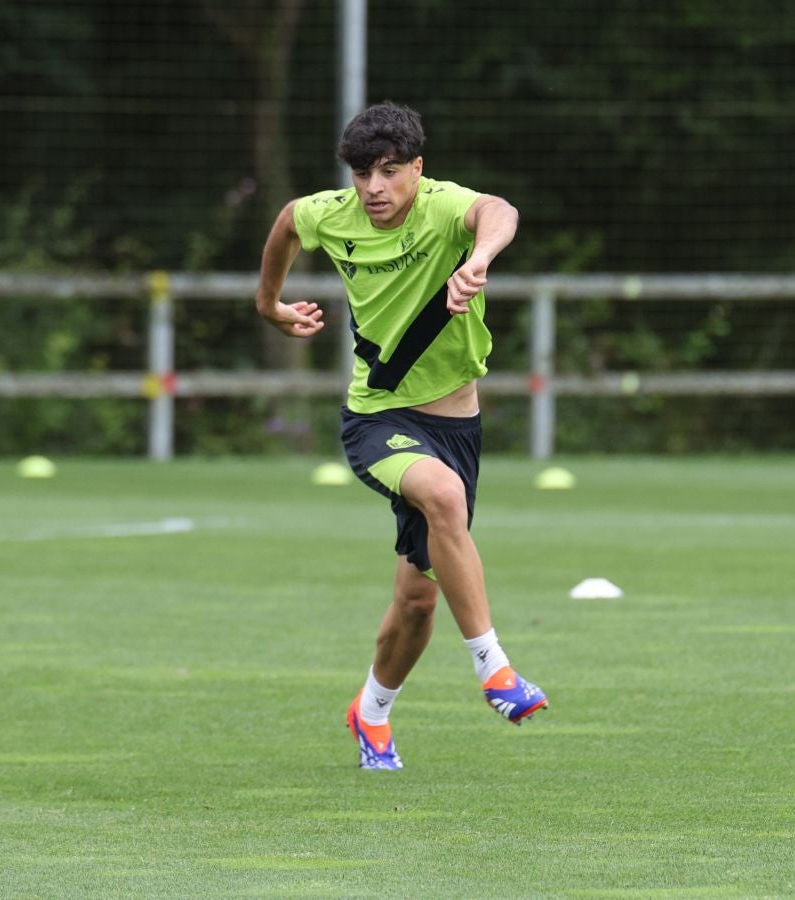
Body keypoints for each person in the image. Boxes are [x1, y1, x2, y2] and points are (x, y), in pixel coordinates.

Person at [255, 101, 547, 770]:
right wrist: (267, 303)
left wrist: (478, 259)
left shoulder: (445, 208)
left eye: (389, 171)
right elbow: (284, 224)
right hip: (376, 420)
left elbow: (498, 211)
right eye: (361, 173)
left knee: (417, 602)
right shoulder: (333, 215)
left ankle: (371, 712)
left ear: (417, 168)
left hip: (456, 426)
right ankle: (495, 672)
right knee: (442, 499)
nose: (373, 188)